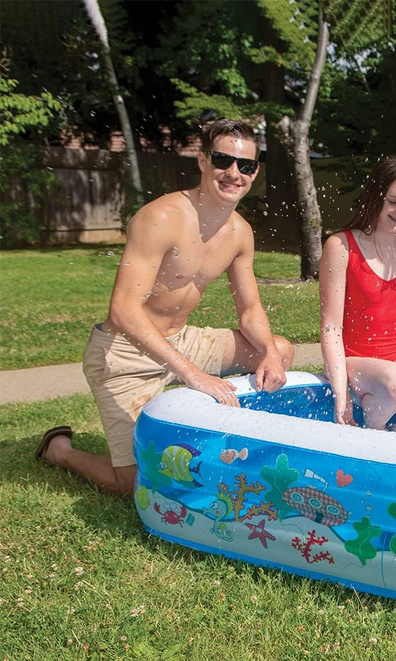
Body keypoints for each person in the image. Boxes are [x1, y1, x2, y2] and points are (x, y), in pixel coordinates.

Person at [35, 119, 294, 496]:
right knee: (137, 483)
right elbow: (124, 310)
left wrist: (269, 352)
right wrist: (194, 376)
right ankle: (60, 451)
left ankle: (218, 433)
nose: (234, 173)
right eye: (223, 160)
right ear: (203, 161)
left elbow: (250, 309)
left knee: (281, 350)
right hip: (124, 354)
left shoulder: (240, 232)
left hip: (180, 340)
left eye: (246, 165)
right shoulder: (161, 217)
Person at [319, 156, 396, 430]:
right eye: (394, 201)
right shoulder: (341, 247)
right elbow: (331, 328)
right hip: (352, 362)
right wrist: (340, 392)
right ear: (375, 197)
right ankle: (370, 439)